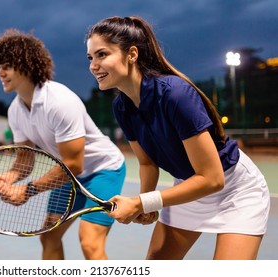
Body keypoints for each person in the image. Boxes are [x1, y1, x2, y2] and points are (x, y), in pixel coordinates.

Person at [85, 16, 270, 260]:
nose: (93, 65)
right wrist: (146, 203)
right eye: (90, 57)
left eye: (102, 54)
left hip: (236, 191)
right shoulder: (121, 106)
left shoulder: (175, 94)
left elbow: (213, 179)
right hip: (189, 189)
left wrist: (142, 202)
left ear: (131, 54)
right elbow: (147, 162)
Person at [0, 29, 126, 260]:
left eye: (6, 66)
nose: (0, 73)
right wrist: (8, 179)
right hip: (70, 174)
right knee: (49, 236)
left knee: (90, 243)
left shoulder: (59, 101)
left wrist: (28, 190)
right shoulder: (15, 110)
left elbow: (74, 164)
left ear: (26, 64)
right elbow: (24, 161)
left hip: (103, 169)